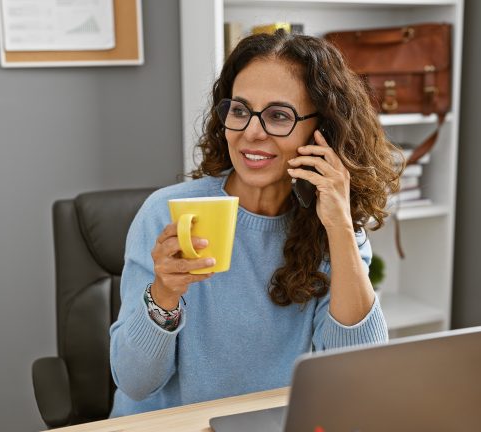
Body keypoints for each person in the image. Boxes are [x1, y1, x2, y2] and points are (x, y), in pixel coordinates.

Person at [109, 30, 401, 417]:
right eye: (240, 110)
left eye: (279, 115)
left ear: (321, 131)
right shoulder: (166, 213)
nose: (251, 132)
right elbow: (134, 382)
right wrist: (164, 294)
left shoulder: (335, 226)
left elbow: (359, 374)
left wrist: (341, 230)